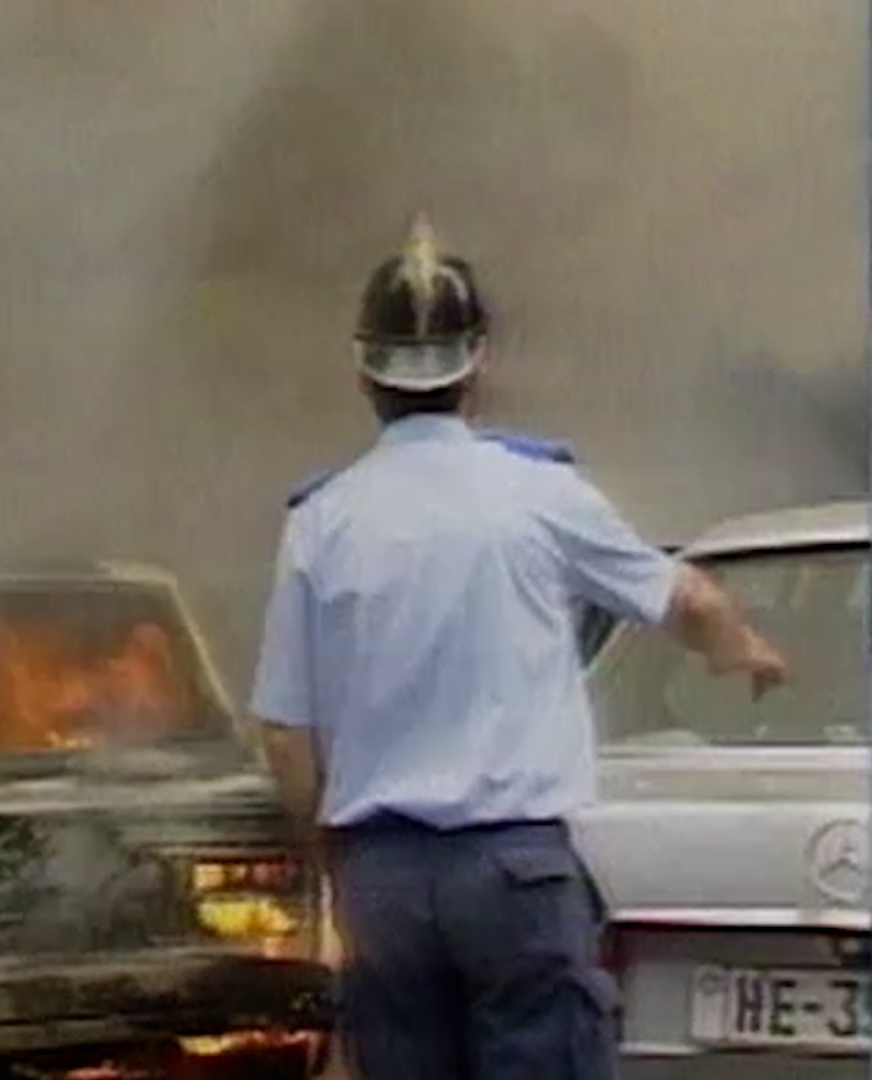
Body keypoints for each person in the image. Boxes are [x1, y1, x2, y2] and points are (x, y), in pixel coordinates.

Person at [248, 217, 788, 1080]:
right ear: (479, 365)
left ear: (363, 372)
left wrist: (337, 859)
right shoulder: (540, 493)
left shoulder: (320, 522)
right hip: (514, 877)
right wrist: (741, 647)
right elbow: (684, 596)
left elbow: (284, 732)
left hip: (382, 883)